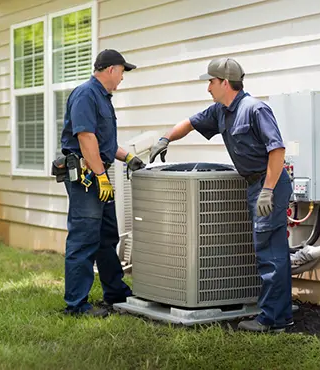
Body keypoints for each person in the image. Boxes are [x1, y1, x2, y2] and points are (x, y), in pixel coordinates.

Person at [148, 57, 294, 332]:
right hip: (255, 184)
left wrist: (267, 191)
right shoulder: (220, 111)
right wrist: (165, 138)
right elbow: (190, 123)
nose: (208, 88)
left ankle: (272, 319)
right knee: (270, 250)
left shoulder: (255, 109)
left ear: (225, 83)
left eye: (211, 82)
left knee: (269, 252)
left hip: (269, 184)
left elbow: (277, 150)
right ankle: (280, 315)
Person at [59, 49, 146, 317]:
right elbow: (85, 138)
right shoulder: (86, 94)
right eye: (122, 72)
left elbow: (101, 142)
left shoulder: (103, 98)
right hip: (87, 177)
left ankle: (116, 293)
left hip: (99, 174)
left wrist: (127, 157)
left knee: (106, 237)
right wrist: (99, 175)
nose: (122, 78)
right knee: (84, 239)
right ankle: (76, 305)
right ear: (110, 69)